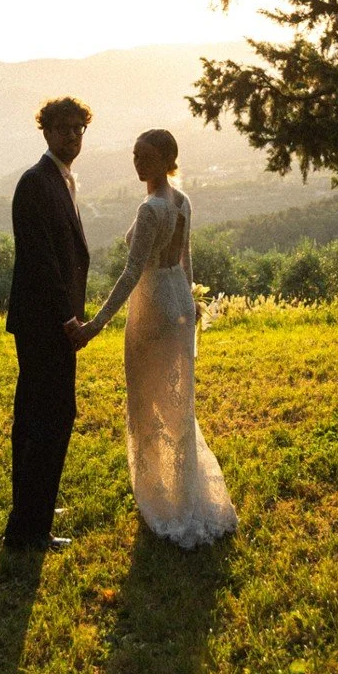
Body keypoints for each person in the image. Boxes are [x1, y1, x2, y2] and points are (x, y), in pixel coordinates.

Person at [67, 128, 237, 549]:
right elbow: (186, 261)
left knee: (149, 399)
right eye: (135, 155)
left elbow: (131, 273)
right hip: (177, 300)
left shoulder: (150, 209)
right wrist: (190, 309)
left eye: (145, 156)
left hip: (152, 305)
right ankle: (182, 492)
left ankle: (164, 497)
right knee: (177, 403)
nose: (137, 163)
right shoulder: (182, 201)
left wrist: (95, 325)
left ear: (166, 160)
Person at [4, 96, 92, 551]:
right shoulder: (35, 182)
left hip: (48, 321)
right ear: (47, 131)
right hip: (45, 323)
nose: (73, 135)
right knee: (49, 417)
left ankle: (32, 507)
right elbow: (41, 260)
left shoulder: (58, 179)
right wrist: (68, 318)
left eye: (79, 128)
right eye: (64, 128)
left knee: (38, 416)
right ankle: (29, 529)